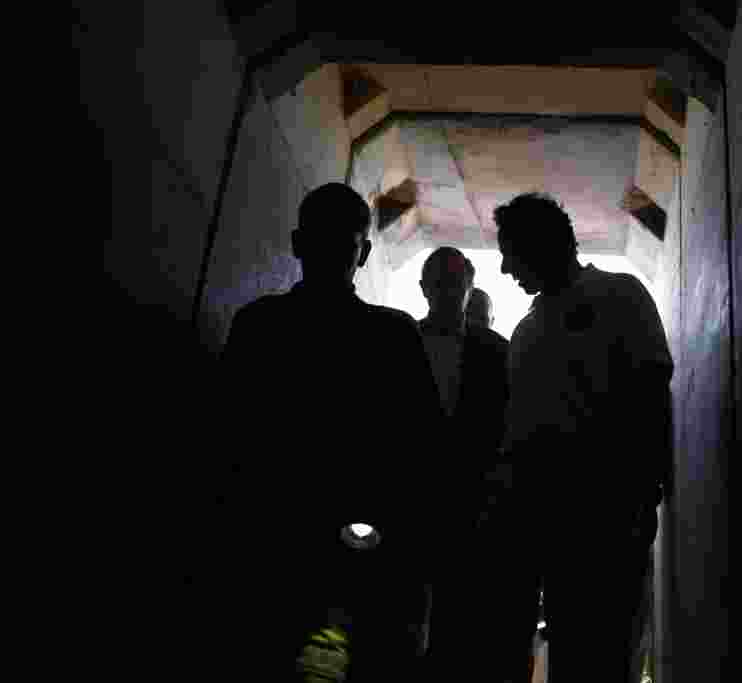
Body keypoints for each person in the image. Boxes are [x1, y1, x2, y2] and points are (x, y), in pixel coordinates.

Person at [218, 182, 444, 681]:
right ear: (363, 252)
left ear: (297, 244)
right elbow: (425, 455)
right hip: (356, 565)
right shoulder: (393, 335)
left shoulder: (258, 326)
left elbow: (226, 442)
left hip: (264, 556)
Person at [489, 192, 674, 682]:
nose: (506, 268)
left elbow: (652, 399)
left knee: (609, 655)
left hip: (612, 522)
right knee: (572, 654)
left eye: (510, 252)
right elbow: (519, 438)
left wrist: (642, 501)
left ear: (541, 244)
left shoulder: (622, 296)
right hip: (550, 531)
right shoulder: (526, 334)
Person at [415, 247, 534, 681]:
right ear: (425, 288)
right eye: (440, 284)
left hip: (468, 507)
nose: (448, 293)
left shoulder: (495, 351)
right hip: (420, 506)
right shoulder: (491, 349)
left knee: (451, 621)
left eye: (456, 285)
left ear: (468, 289)